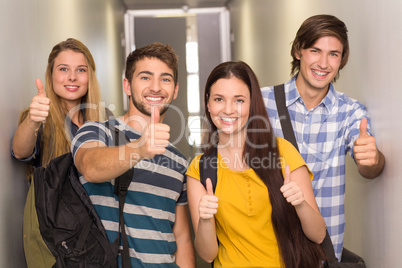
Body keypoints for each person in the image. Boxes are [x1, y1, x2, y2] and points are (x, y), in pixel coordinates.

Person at [261, 14, 386, 261]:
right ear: (298, 51)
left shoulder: (350, 112)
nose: (323, 63)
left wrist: (372, 160)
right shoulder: (263, 103)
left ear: (342, 60)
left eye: (334, 54)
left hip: (323, 252)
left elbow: (370, 169)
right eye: (315, 50)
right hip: (267, 246)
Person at [186, 61, 326, 267]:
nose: (228, 110)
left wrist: (300, 204)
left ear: (252, 104)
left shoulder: (282, 152)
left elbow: (319, 235)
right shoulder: (200, 169)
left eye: (239, 100)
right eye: (218, 99)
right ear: (208, 103)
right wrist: (206, 220)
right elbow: (207, 255)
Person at [71, 42, 195, 267]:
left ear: (175, 90)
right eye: (145, 77)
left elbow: (182, 238)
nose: (156, 87)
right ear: (127, 86)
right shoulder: (97, 131)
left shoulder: (178, 161)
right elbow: (89, 166)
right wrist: (139, 148)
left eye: (165, 79)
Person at [11, 38, 107, 180]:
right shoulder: (39, 117)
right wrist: (32, 121)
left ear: (90, 76)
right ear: (51, 74)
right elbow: (20, 153)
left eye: (81, 70)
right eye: (63, 69)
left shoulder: (102, 120)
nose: (72, 77)